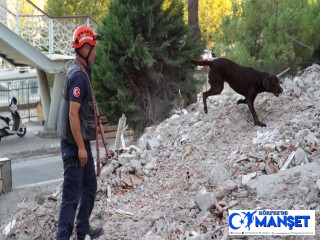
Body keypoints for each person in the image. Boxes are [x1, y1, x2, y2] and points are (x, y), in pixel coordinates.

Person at [56, 25, 103, 240]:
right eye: (93, 48)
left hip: (80, 141)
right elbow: (72, 115)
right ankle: (63, 237)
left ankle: (82, 229)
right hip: (75, 146)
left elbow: (81, 106)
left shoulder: (83, 71)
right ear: (84, 50)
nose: (96, 52)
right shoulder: (77, 76)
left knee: (90, 187)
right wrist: (82, 148)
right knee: (71, 197)